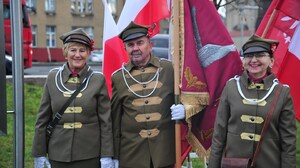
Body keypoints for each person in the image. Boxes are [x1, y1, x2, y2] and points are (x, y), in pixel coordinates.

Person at [208, 34, 296, 167]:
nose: (254, 60)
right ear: (243, 61)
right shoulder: (231, 87)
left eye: (260, 55)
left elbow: (288, 142)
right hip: (233, 164)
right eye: (249, 55)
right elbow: (219, 136)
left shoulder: (282, 92)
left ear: (271, 61)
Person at [32, 28, 114, 168]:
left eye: (82, 50)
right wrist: (39, 151)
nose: (77, 55)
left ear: (88, 53)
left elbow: (105, 122)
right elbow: (43, 118)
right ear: (65, 53)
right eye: (73, 50)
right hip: (58, 152)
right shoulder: (53, 77)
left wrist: (107, 155)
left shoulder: (97, 79)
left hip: (89, 153)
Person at [111, 21, 185, 168]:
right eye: (130, 45)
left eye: (140, 43)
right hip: (132, 156)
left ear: (150, 45)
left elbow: (187, 97)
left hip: (165, 153)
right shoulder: (118, 77)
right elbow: (115, 122)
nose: (135, 48)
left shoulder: (170, 69)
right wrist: (113, 155)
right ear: (125, 48)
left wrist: (185, 109)